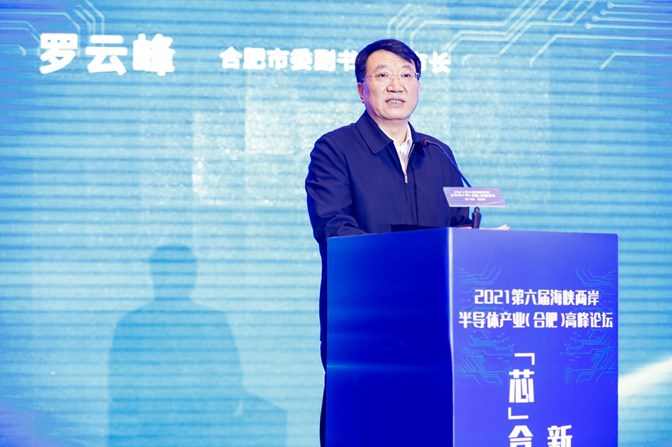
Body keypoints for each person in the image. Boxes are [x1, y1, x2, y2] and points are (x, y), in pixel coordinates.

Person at [304, 38, 471, 446]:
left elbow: (458, 226)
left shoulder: (438, 154)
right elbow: (334, 227)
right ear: (361, 89)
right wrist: (410, 261)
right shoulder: (335, 149)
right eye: (383, 75)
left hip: (434, 322)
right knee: (364, 427)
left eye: (407, 75)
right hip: (366, 320)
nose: (397, 85)